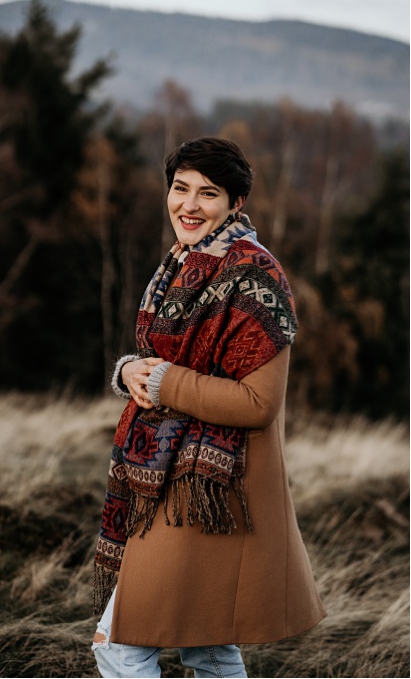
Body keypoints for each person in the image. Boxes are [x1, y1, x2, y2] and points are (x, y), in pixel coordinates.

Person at [90, 137, 325, 677]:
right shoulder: (181, 264)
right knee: (209, 649)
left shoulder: (255, 276)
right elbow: (159, 357)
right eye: (180, 188)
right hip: (171, 480)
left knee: (117, 644)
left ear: (235, 203)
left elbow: (258, 403)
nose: (189, 205)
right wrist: (129, 370)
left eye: (208, 193)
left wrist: (165, 381)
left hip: (215, 487)